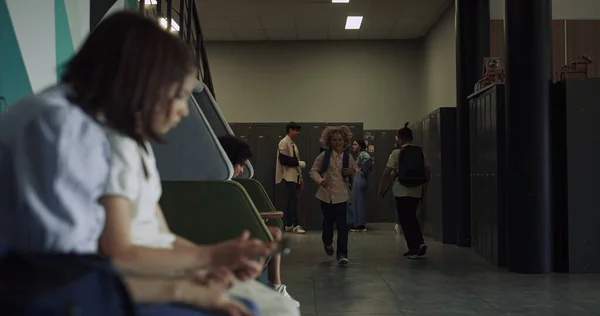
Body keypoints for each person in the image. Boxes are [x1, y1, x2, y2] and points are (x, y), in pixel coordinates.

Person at [0, 11, 275, 316]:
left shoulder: (89, 124)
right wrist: (192, 279)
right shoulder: (63, 127)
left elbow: (122, 250)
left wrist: (195, 274)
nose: (183, 111)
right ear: (142, 82)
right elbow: (82, 270)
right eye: (178, 95)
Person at [218, 135, 299, 307]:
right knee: (275, 234)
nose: (240, 170)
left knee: (274, 233)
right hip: (224, 232)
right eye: (240, 164)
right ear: (227, 161)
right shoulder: (223, 186)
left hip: (228, 227)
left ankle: (271, 286)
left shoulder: (223, 184)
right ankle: (274, 285)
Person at [377, 123, 430, 259]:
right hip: (416, 190)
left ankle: (415, 247)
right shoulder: (420, 151)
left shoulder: (397, 153)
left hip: (401, 191)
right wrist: (424, 187)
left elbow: (387, 172)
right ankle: (418, 244)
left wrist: (382, 187)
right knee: (412, 216)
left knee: (405, 220)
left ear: (400, 139)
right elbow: (427, 171)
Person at [309, 126, 358, 265]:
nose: (337, 142)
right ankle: (327, 242)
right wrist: (320, 180)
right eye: (334, 140)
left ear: (345, 141)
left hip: (341, 195)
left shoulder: (348, 157)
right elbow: (313, 171)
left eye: (340, 140)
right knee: (328, 221)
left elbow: (356, 170)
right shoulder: (324, 156)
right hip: (326, 195)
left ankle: (342, 253)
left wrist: (351, 171)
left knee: (343, 225)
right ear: (329, 142)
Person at [275, 122, 306, 234]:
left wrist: (300, 178)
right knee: (293, 201)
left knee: (292, 200)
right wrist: (297, 162)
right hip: (287, 176)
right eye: (296, 130)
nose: (298, 133)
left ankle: (289, 224)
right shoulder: (284, 142)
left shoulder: (293, 144)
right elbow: (283, 160)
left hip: (295, 176)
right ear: (290, 130)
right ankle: (295, 224)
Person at [348, 140, 372, 232]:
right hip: (357, 179)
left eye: (355, 144)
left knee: (358, 203)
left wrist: (361, 170)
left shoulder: (364, 155)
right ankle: (357, 222)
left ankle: (360, 225)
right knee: (356, 202)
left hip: (360, 179)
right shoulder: (359, 155)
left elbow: (367, 161)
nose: (353, 146)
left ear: (360, 146)